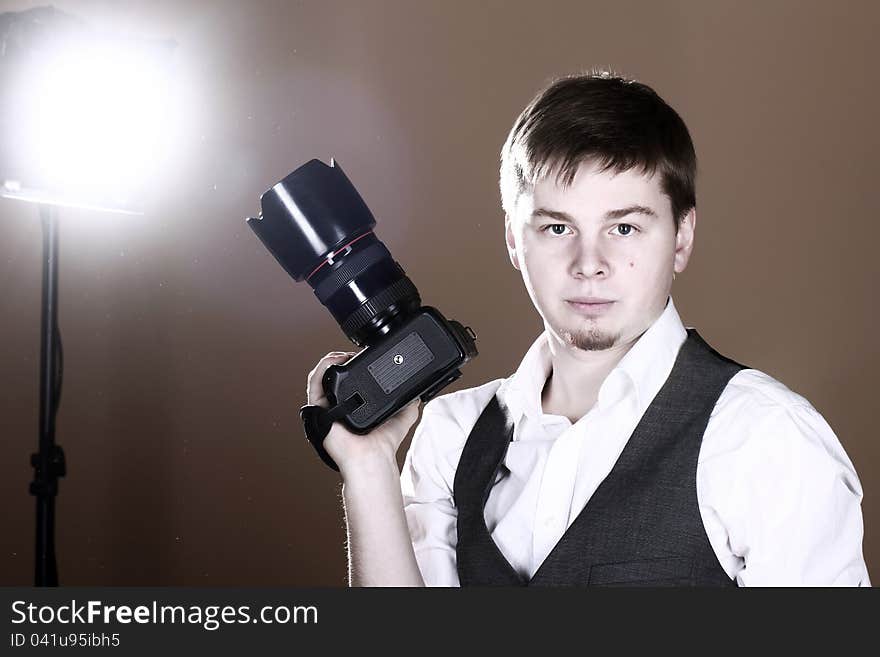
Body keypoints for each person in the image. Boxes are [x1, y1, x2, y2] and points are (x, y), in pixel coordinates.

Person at [306, 71, 870, 586]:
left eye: (624, 227)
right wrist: (368, 466)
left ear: (681, 237)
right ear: (513, 239)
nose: (589, 262)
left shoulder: (764, 436)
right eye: (556, 228)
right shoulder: (451, 434)